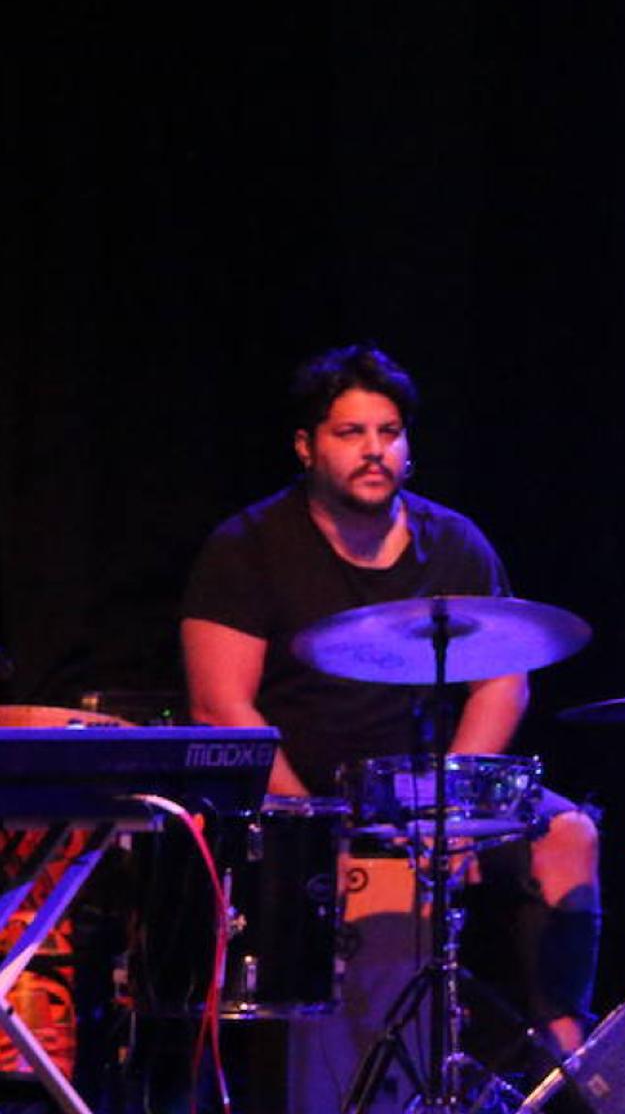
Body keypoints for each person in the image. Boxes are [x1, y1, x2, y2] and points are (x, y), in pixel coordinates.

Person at [180, 343, 599, 1059]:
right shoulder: (247, 547)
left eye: (390, 432)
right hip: (304, 801)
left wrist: (453, 805)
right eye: (351, 434)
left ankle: (570, 1060)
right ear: (306, 446)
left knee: (570, 835)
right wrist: (314, 827)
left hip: (425, 795)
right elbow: (221, 707)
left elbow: (504, 680)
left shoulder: (454, 543)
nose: (375, 451)